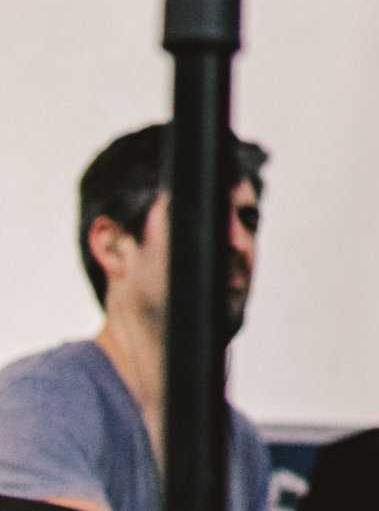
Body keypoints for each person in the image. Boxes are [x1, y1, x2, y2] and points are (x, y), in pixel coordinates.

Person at [0, 125, 271, 511]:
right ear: (112, 245)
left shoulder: (241, 447)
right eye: (203, 209)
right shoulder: (36, 406)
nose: (237, 241)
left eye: (249, 220)